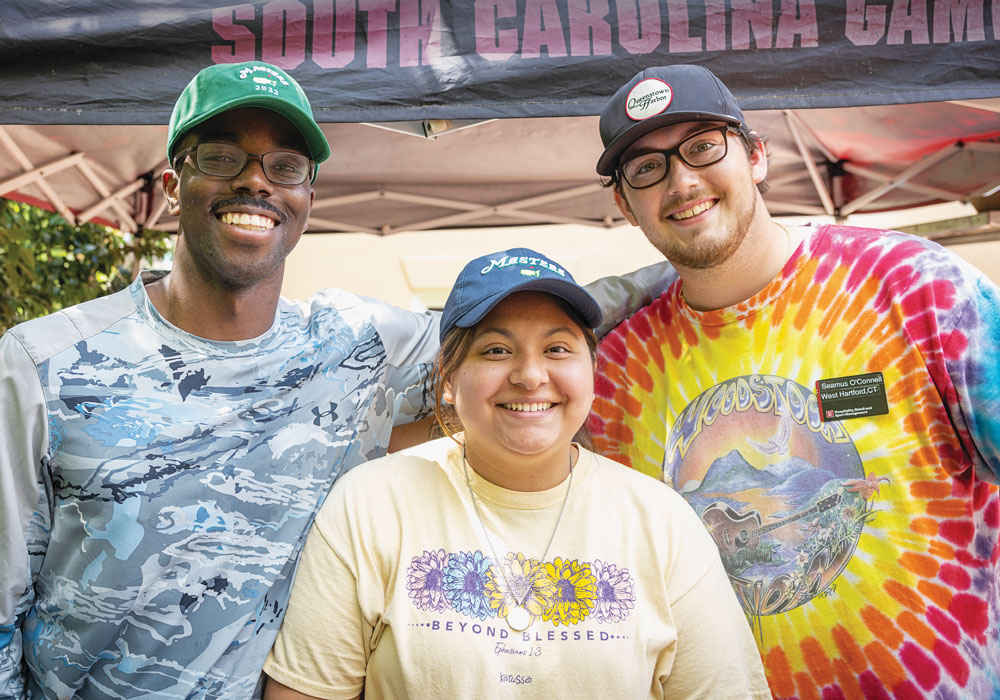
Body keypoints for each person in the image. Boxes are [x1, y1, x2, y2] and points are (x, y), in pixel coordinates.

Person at [0, 61, 444, 699]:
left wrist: (645, 278)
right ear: (173, 186)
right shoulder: (44, 359)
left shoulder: (353, 344)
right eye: (222, 157)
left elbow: (517, 346)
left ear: (307, 200)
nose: (255, 182)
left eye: (284, 166)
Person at [588, 63, 1000, 699]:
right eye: (647, 168)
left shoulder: (918, 288)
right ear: (623, 202)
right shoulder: (616, 369)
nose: (682, 181)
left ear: (756, 156)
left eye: (702, 147)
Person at [261, 247, 771, 699]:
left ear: (590, 371)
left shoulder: (661, 523)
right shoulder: (369, 507)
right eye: (496, 350)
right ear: (447, 379)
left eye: (557, 349)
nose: (530, 376)